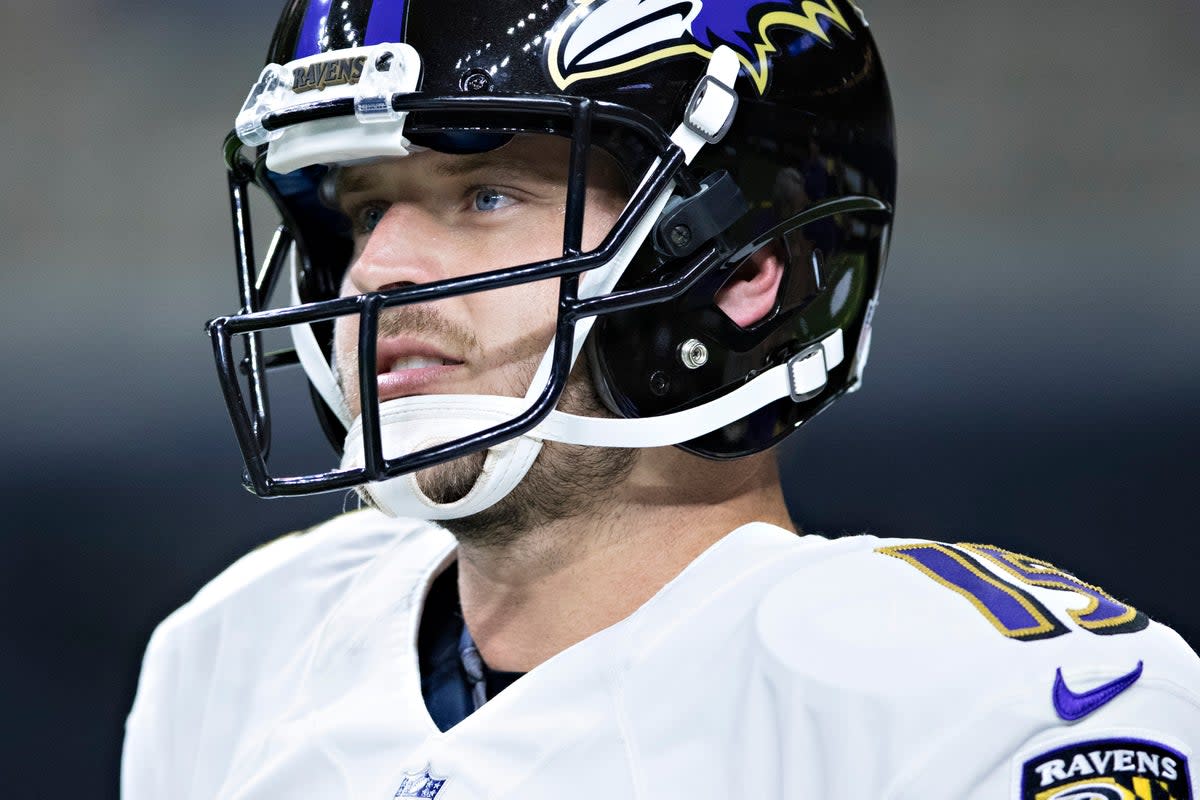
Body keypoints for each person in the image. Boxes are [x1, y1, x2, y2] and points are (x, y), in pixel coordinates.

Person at [123, 1, 1200, 797]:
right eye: (364, 215)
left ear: (739, 268)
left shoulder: (967, 699)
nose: (377, 272)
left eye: (486, 193)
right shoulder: (236, 651)